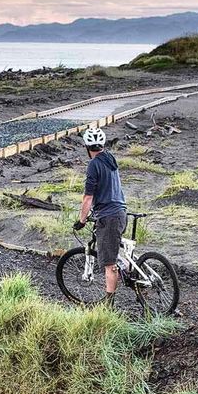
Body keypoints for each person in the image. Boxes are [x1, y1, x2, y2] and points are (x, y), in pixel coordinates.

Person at [73, 126, 127, 305]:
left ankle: (108, 305)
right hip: (120, 211)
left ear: (87, 148)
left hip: (109, 216)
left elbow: (88, 197)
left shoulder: (93, 165)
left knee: (109, 264)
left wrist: (81, 220)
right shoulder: (110, 158)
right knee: (116, 252)